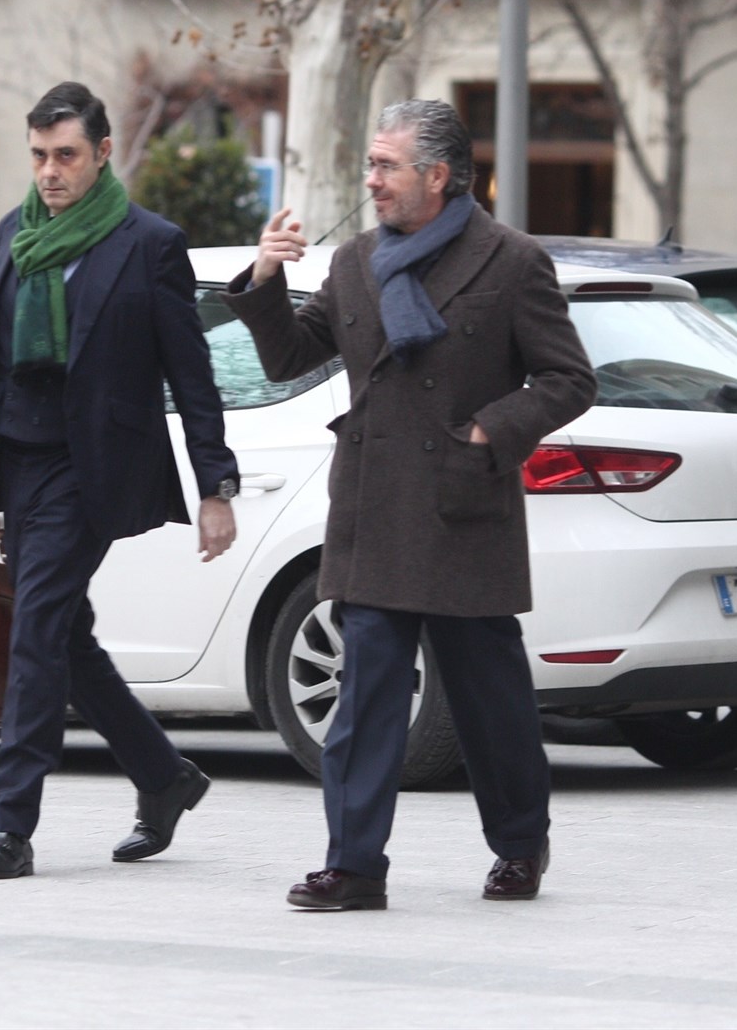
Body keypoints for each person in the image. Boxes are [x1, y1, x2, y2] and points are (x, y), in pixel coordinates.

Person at [224, 99, 596, 910]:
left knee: (489, 703)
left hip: (463, 507)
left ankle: (519, 845)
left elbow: (570, 380)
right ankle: (354, 866)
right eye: (370, 164)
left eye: (387, 166)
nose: (373, 180)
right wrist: (264, 276)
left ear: (437, 174)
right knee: (365, 700)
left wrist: (488, 433)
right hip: (375, 505)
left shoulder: (510, 260)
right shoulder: (357, 259)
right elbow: (291, 356)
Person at [0, 81, 242, 880]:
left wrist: (216, 485)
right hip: (22, 460)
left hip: (94, 468)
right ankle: (165, 776)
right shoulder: (13, 234)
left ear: (102, 154)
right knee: (62, 634)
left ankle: (9, 828)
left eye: (65, 156)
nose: (50, 172)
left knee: (35, 630)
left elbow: (191, 372)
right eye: (38, 156)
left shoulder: (149, 244)